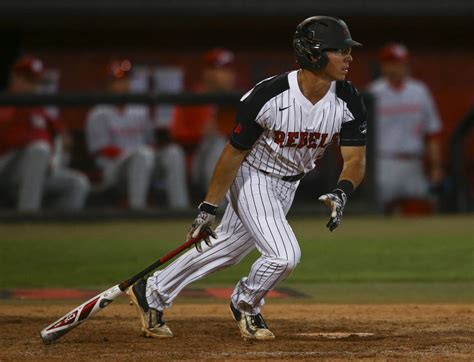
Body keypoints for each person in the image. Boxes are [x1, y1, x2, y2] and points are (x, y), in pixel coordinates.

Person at [127, 16, 367, 340]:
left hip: (289, 184)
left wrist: (342, 191)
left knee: (227, 249)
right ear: (313, 54)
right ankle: (246, 304)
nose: (348, 57)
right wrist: (208, 207)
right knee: (284, 256)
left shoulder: (348, 98)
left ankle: (152, 291)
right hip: (254, 176)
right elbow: (233, 153)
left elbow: (355, 159)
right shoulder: (270, 94)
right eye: (339, 50)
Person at [85, 59, 189, 210]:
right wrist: (135, 154)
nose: (124, 85)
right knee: (142, 154)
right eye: (119, 81)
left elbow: (150, 143)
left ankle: (181, 209)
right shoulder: (98, 113)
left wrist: (147, 153)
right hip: (114, 170)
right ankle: (137, 210)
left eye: (127, 80)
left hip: (144, 162)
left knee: (173, 152)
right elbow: (100, 150)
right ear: (109, 84)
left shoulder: (139, 110)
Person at [0, 55, 90, 212]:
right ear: (15, 79)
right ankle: (27, 216)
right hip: (7, 170)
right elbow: (9, 141)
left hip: (36, 171)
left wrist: (61, 137)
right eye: (29, 80)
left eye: (36, 82)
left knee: (78, 183)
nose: (34, 87)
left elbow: (62, 134)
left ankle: (55, 230)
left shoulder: (39, 110)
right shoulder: (5, 105)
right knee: (39, 148)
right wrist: (40, 145)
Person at [368, 43, 443, 215]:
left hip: (414, 163)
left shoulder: (420, 91)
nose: (397, 67)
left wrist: (436, 167)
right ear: (383, 66)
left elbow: (432, 132)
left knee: (427, 206)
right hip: (384, 162)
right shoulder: (373, 92)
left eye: (401, 63)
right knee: (378, 213)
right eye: (392, 63)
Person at [170, 48, 237, 194]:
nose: (223, 75)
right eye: (217, 69)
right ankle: (216, 208)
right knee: (217, 144)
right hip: (194, 161)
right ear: (207, 73)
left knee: (222, 144)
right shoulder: (191, 99)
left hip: (232, 165)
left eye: (227, 70)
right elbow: (175, 134)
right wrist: (200, 134)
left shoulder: (238, 101)